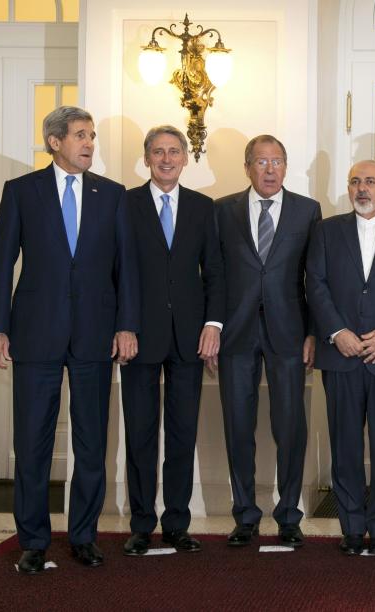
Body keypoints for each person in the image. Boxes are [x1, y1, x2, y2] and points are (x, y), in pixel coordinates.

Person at [0, 106, 139, 573]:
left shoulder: (112, 195)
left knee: (92, 442)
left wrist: (127, 324)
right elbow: (2, 263)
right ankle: (33, 539)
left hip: (96, 334)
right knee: (32, 441)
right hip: (35, 334)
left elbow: (125, 267)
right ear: (54, 142)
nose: (89, 143)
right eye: (79, 135)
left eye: (91, 136)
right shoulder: (21, 192)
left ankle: (84, 536)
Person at [120, 125, 224, 556]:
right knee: (140, 434)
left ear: (185, 159)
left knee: (182, 434)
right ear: (146, 159)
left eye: (174, 152)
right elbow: (115, 272)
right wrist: (122, 326)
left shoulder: (204, 208)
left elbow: (216, 272)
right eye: (158, 152)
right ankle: (142, 523)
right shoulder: (123, 205)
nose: (166, 159)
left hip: (189, 339)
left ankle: (177, 523)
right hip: (138, 338)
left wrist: (213, 324)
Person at [215, 135, 321, 548]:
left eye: (278, 161)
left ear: (286, 166)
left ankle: (289, 515)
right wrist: (213, 326)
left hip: (290, 332)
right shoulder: (222, 210)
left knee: (290, 426)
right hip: (236, 333)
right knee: (238, 425)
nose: (270, 169)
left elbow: (317, 277)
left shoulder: (307, 211)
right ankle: (245, 516)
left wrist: (312, 331)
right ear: (247, 168)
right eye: (262, 162)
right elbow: (215, 274)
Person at [306, 160, 375, 556]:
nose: (361, 189)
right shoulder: (326, 231)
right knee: (345, 445)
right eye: (354, 181)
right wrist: (337, 333)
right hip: (341, 356)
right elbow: (314, 285)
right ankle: (352, 528)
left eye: (370, 181)